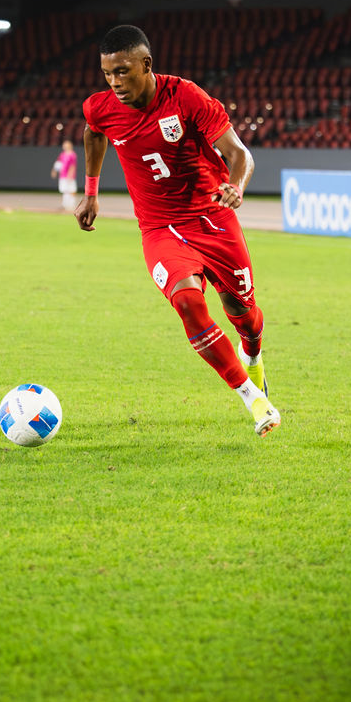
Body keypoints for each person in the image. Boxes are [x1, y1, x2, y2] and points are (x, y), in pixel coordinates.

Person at [74, 24, 280, 438]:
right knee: (187, 301)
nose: (115, 82)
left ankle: (253, 357)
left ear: (146, 64)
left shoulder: (186, 97)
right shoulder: (100, 107)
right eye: (108, 73)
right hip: (160, 228)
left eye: (123, 71)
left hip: (213, 218)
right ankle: (252, 398)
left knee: (245, 317)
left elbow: (239, 153)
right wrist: (91, 192)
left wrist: (235, 187)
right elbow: (93, 133)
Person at [51, 139, 77, 211]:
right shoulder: (62, 154)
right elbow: (58, 163)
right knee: (65, 190)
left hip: (69, 176)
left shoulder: (72, 154)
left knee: (72, 190)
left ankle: (72, 204)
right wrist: (54, 171)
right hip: (62, 175)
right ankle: (65, 204)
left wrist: (70, 175)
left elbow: (73, 166)